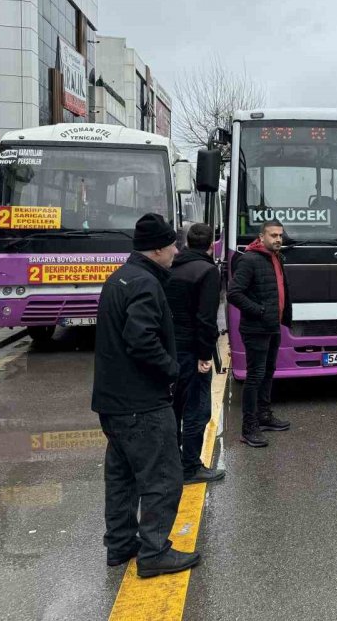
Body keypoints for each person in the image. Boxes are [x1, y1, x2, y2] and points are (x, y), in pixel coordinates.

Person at [92, 214, 200, 578]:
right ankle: (154, 552)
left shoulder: (119, 278)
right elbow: (141, 340)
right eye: (172, 244)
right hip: (143, 404)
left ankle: (121, 544)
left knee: (122, 477)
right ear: (157, 248)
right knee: (162, 478)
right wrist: (171, 369)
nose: (176, 250)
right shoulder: (145, 284)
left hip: (113, 403)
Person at [227, 219, 293, 447]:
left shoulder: (274, 257)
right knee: (254, 376)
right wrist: (260, 311)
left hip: (272, 326)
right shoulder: (250, 260)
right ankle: (249, 428)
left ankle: (264, 417)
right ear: (261, 237)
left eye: (280, 235)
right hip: (256, 328)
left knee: (268, 372)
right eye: (273, 235)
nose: (278, 239)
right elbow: (234, 293)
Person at [167, 223, 225, 484]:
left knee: (175, 407)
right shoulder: (207, 271)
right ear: (212, 245)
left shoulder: (171, 267)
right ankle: (191, 466)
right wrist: (205, 355)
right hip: (193, 350)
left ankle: (172, 461)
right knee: (197, 409)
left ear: (187, 243)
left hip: (171, 349)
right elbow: (205, 319)